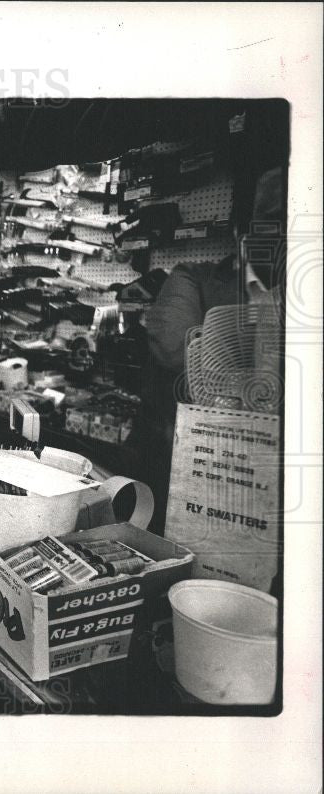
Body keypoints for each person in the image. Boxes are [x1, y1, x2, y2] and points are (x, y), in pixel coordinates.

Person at [132, 166, 286, 532]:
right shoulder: (193, 279)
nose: (288, 232)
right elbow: (180, 355)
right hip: (193, 486)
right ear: (240, 232)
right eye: (275, 219)